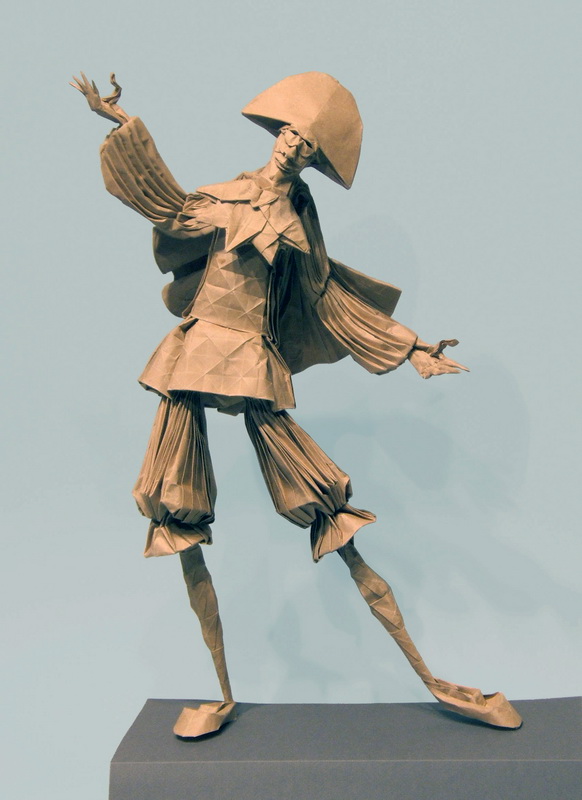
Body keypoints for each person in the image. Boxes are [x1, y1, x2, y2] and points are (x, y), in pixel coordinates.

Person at [71, 71, 521, 736]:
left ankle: (435, 681)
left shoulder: (297, 228)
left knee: (328, 512)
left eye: (306, 142)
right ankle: (222, 693)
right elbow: (167, 207)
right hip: (194, 355)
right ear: (275, 132)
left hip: (253, 360)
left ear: (313, 157)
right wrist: (123, 124)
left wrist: (411, 346)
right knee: (176, 511)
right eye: (288, 132)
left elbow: (328, 298)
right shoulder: (227, 197)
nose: (291, 145)